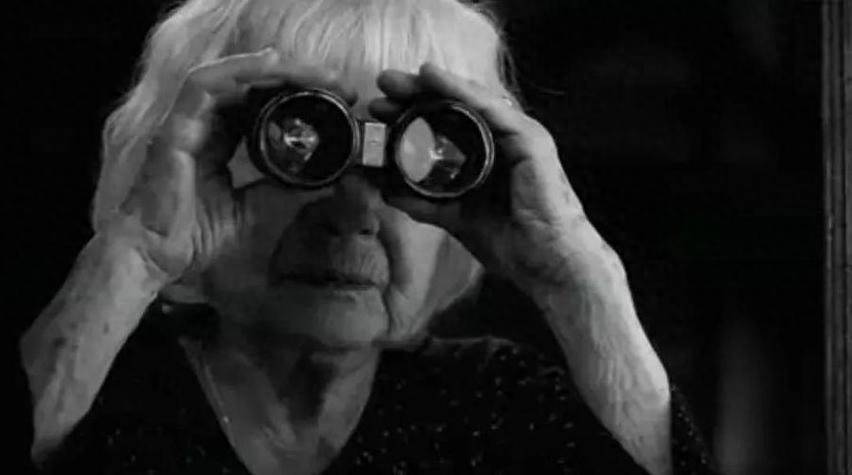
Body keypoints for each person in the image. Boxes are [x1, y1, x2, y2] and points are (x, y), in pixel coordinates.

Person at [19, 0, 716, 473]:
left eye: (416, 163)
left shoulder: (499, 405)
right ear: (193, 158)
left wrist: (579, 273)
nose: (352, 212)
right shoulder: (89, 382)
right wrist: (138, 249)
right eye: (298, 146)